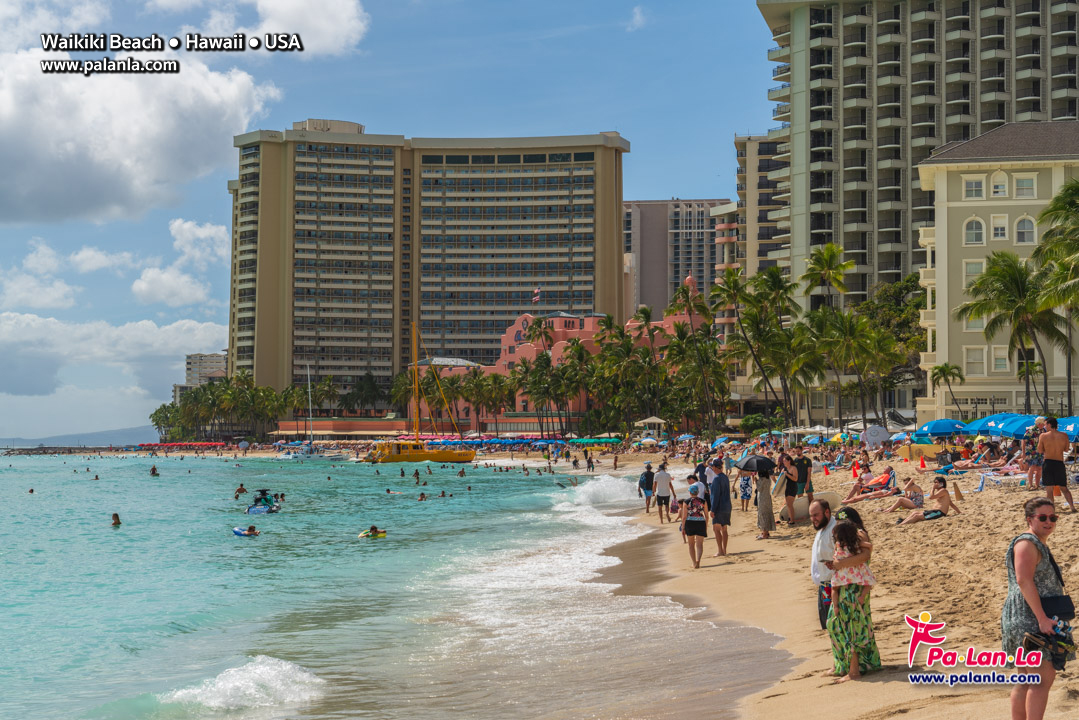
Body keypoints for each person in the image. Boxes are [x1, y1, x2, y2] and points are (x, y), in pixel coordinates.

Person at [1002, 497, 1074, 720]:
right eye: (1042, 517)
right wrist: (1042, 619)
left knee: (1027, 680)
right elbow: (1024, 580)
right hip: (1031, 616)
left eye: (1053, 517)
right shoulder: (1026, 543)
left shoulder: (1035, 542)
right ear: (1029, 519)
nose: (1048, 521)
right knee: (1040, 680)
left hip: (1026, 614)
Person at [826, 516, 880, 682]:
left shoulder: (856, 541)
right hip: (845, 587)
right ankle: (845, 665)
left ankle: (854, 670)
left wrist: (840, 563)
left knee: (850, 627)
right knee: (836, 624)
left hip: (851, 589)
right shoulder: (845, 546)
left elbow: (867, 551)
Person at [1037, 417, 1077, 511]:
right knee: (1064, 488)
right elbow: (1066, 449)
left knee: (1049, 489)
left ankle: (1052, 509)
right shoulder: (1064, 435)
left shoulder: (1043, 435)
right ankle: (1072, 507)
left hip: (1048, 462)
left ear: (1050, 425)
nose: (1045, 426)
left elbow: (1039, 450)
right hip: (1059, 463)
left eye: (1046, 424)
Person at [809, 500, 836, 630]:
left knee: (834, 624)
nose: (813, 519)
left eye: (816, 515)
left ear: (827, 512)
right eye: (811, 515)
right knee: (826, 624)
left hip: (835, 586)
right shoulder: (821, 529)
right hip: (823, 586)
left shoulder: (835, 529)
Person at [679, 485, 708, 569]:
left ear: (690, 492)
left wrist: (683, 527)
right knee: (699, 544)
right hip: (701, 522)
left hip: (690, 522)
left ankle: (694, 563)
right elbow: (706, 515)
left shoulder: (686, 502)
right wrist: (706, 525)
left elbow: (684, 516)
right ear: (698, 492)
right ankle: (698, 560)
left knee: (691, 545)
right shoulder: (703, 501)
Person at [785, 445, 815, 525]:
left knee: (810, 497)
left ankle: (813, 512)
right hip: (798, 483)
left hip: (806, 481)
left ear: (802, 450)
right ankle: (802, 514)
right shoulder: (794, 461)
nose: (797, 452)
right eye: (796, 451)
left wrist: (807, 483)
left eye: (798, 451)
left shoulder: (807, 460)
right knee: (800, 499)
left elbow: (809, 472)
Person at [709, 458, 731, 557]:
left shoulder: (716, 479)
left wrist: (713, 509)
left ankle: (720, 551)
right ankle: (724, 549)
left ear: (715, 467)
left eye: (712, 466)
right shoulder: (725, 477)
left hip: (720, 507)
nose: (712, 468)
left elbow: (715, 495)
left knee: (716, 529)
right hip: (727, 505)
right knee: (724, 529)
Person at [756, 469, 776, 540]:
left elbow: (759, 488)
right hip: (767, 497)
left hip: (762, 499)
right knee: (767, 514)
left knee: (763, 514)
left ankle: (764, 533)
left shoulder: (762, 479)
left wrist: (756, 481)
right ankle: (765, 532)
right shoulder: (768, 479)